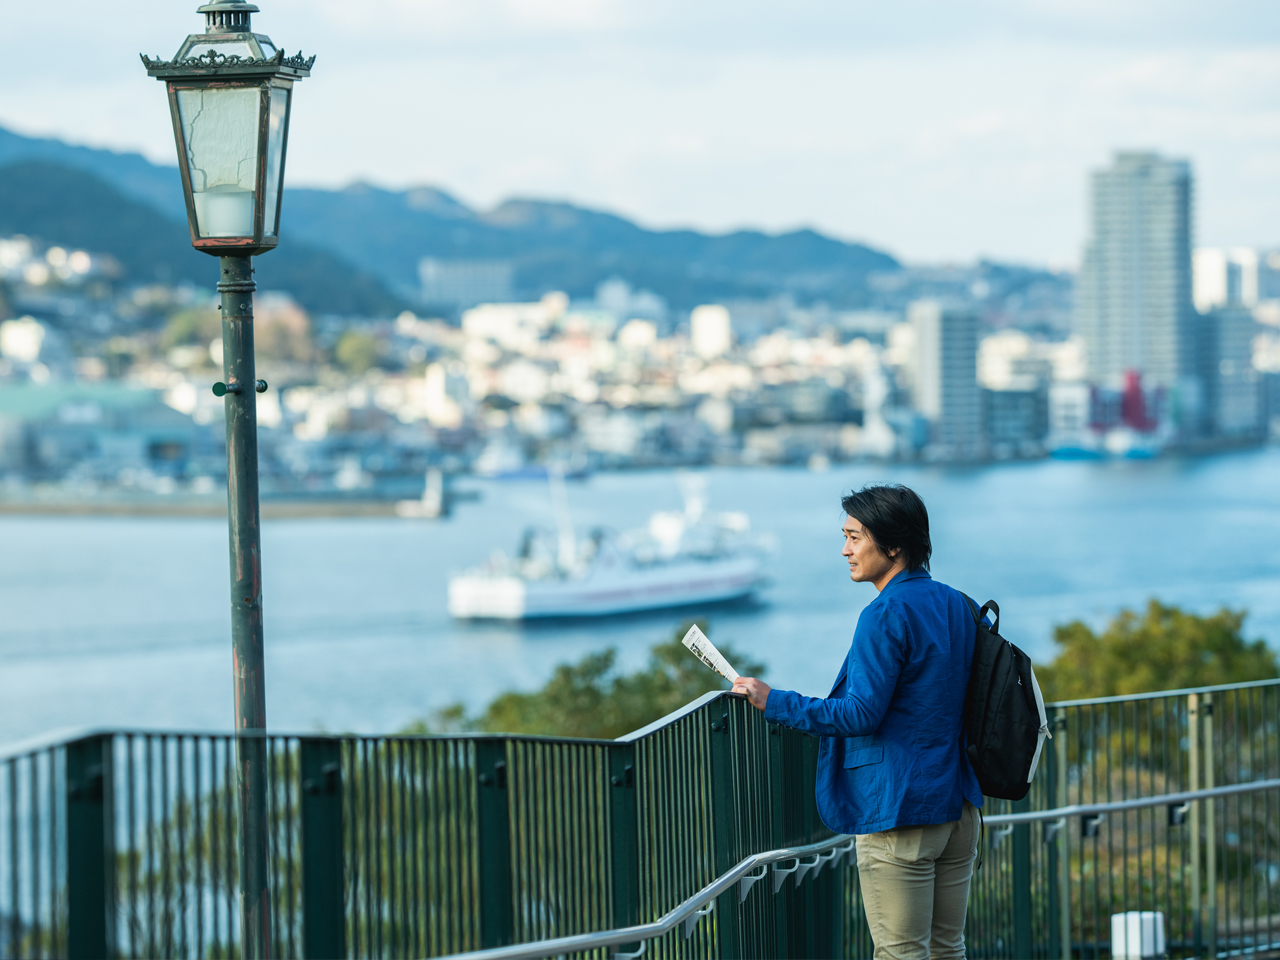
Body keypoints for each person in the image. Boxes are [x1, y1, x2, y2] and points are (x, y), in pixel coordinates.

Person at [732, 483, 983, 960]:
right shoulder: (957, 604)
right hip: (960, 809)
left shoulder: (884, 613)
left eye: (854, 537)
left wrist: (775, 701)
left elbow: (860, 713)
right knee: (948, 950)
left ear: (893, 546)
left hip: (901, 813)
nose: (845, 550)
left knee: (900, 953)